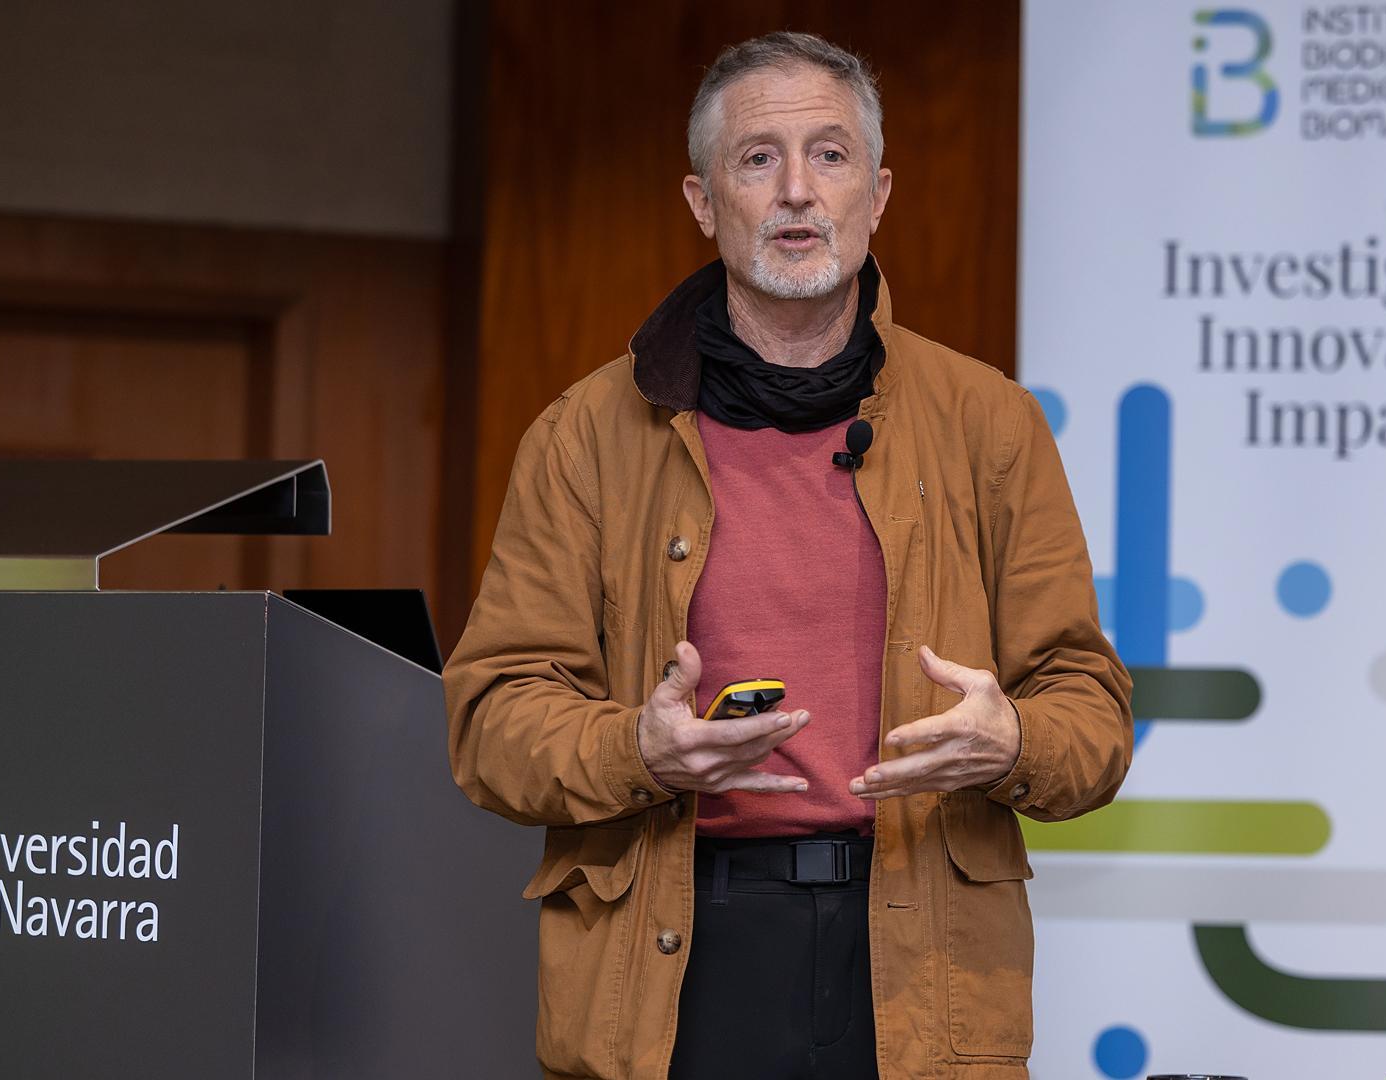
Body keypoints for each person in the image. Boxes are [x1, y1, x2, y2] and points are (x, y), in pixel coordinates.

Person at [444, 31, 1132, 1080]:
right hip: (674, 951)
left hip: (923, 952)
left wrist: (1014, 742)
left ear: (879, 194)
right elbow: (491, 718)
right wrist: (638, 750)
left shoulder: (989, 423)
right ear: (703, 201)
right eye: (759, 159)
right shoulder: (584, 434)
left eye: (832, 155)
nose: (798, 190)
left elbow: (1092, 716)